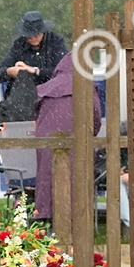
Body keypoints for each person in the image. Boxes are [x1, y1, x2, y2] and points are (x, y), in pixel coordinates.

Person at [33, 54, 101, 224]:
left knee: (47, 178)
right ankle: (77, 222)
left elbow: (38, 117)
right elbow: (95, 118)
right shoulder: (85, 86)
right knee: (77, 180)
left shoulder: (47, 89)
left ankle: (47, 219)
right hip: (77, 140)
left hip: (47, 141)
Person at [0, 11, 68, 124]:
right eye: (29, 36)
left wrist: (34, 70)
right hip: (23, 100)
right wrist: (10, 71)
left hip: (50, 96)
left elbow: (62, 72)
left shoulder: (56, 43)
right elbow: (0, 70)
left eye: (36, 35)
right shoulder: (19, 45)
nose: (33, 38)